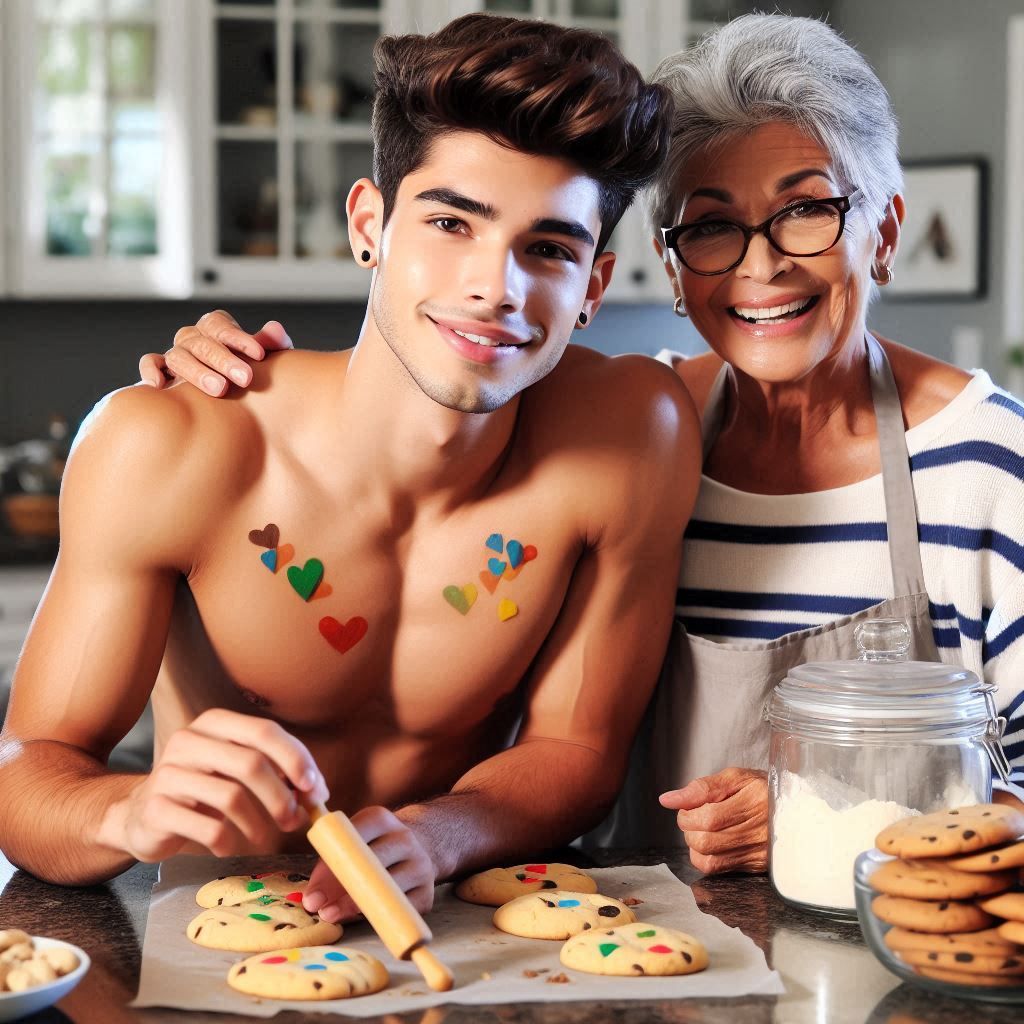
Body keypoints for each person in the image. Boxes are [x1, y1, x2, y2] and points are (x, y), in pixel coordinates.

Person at [150, 14, 1024, 875]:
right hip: (637, 954)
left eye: (807, 212)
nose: (762, 267)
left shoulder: (988, 471)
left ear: (885, 231)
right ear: (672, 267)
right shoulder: (638, 434)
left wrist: (839, 823)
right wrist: (217, 383)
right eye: (712, 226)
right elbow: (436, 388)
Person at [0, 13, 701, 918]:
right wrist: (132, 813)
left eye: (550, 248)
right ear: (369, 223)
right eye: (452, 221)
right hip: (223, 932)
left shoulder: (630, 435)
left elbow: (577, 750)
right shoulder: (176, 444)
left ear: (593, 289)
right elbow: (28, 779)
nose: (498, 286)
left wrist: (440, 836)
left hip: (465, 920)